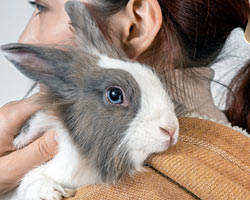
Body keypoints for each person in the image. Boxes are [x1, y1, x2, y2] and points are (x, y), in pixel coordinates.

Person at [0, 0, 249, 197]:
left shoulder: (115, 192)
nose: (26, 38)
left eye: (41, 8)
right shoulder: (233, 147)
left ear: (137, 23)